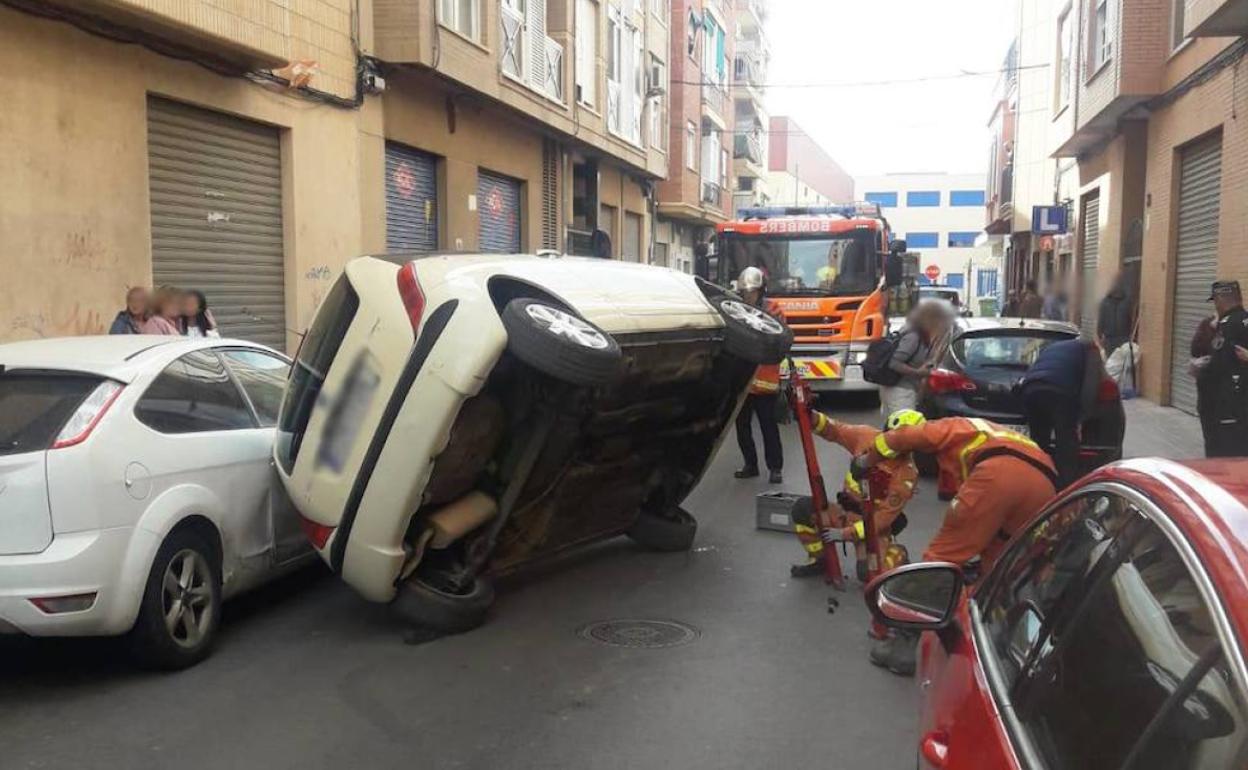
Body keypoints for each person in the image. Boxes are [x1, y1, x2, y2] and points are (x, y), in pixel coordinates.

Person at [851, 416, 1057, 676]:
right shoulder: (994, 432)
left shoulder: (949, 427)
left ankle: (906, 646)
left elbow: (899, 438)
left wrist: (865, 461)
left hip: (996, 476)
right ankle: (995, 649)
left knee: (940, 560)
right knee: (1000, 568)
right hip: (1044, 485)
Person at [789, 409, 921, 581]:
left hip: (871, 528)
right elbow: (834, 429)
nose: (890, 444)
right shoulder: (866, 436)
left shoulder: (906, 475)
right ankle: (821, 560)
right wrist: (807, 415)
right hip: (844, 512)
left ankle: (898, 554)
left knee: (869, 573)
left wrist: (846, 534)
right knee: (803, 510)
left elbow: (881, 519)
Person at [1018, 337, 1106, 488]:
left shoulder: (1054, 345)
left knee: (1039, 441)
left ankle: (1035, 481)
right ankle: (1065, 486)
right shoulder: (1091, 350)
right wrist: (1081, 417)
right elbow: (1090, 387)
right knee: (1066, 442)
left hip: (1030, 388)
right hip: (1059, 392)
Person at [734, 266, 784, 483]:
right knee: (742, 427)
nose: (748, 295)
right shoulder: (735, 309)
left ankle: (775, 467)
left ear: (761, 290)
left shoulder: (773, 310)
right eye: (745, 292)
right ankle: (750, 464)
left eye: (752, 291)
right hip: (742, 382)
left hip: (765, 382)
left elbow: (778, 338)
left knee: (768, 426)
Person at [1194, 280, 1248, 457]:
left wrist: (1199, 368)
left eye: (1215, 301)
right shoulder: (1244, 320)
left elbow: (1218, 365)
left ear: (1220, 299)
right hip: (1239, 409)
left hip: (1225, 408)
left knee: (1222, 458)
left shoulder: (1227, 325)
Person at [879, 302, 941, 419]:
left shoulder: (921, 335)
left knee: (893, 430)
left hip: (900, 388)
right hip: (900, 390)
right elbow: (894, 362)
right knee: (904, 430)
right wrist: (917, 372)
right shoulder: (913, 335)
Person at [1097, 272, 1135, 356]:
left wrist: (1130, 334)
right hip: (1110, 338)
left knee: (1121, 361)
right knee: (1111, 361)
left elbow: (1130, 319)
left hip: (1123, 338)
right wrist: (1099, 334)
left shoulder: (1126, 302)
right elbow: (1101, 320)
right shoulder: (1105, 302)